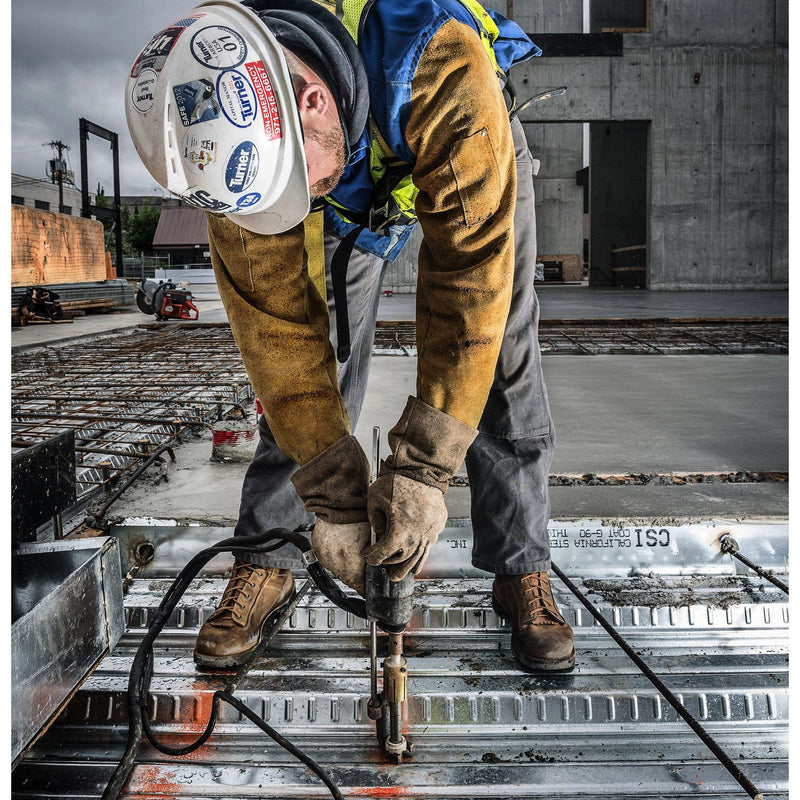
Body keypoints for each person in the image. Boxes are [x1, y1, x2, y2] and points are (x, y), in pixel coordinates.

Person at [126, 0, 574, 674]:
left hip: (468, 147)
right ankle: (270, 555)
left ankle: (521, 564)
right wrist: (335, 501)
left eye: (291, 189)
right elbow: (279, 341)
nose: (285, 209)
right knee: (312, 365)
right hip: (352, 179)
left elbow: (468, 293)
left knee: (503, 351)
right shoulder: (231, 148)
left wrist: (424, 471)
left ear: (312, 101)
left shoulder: (440, 66)